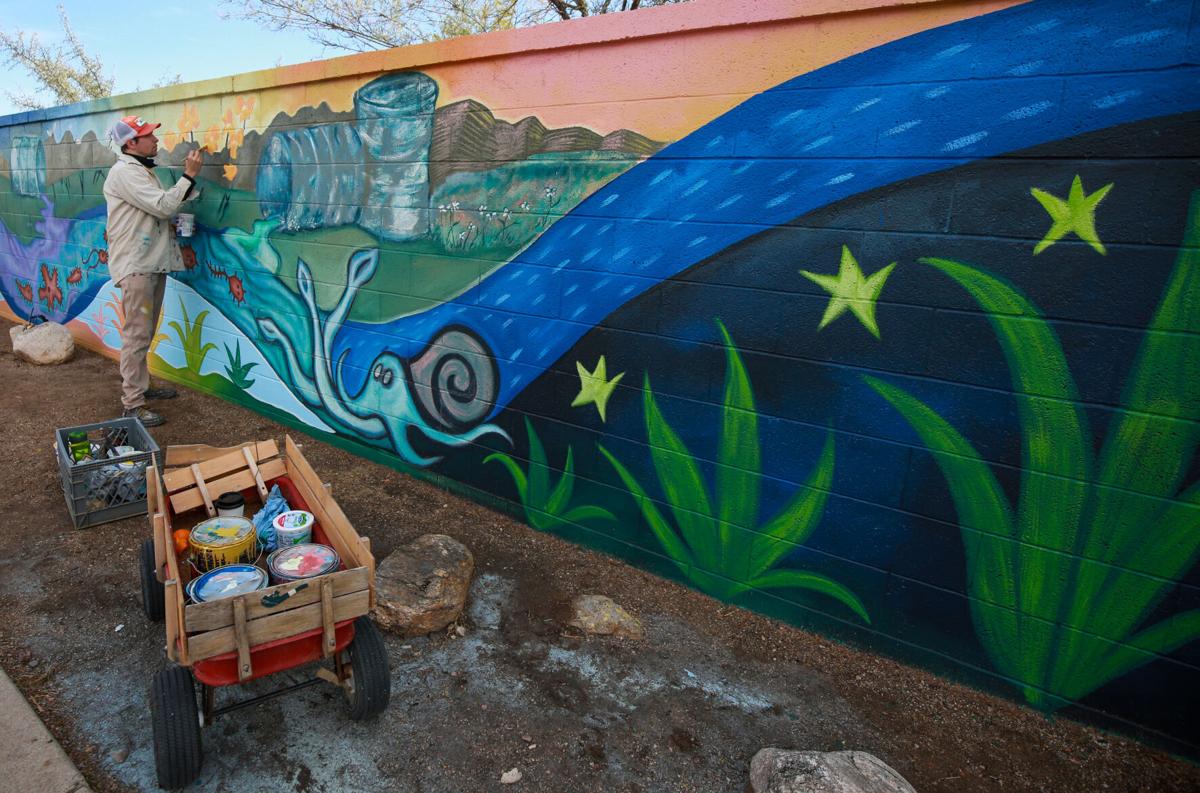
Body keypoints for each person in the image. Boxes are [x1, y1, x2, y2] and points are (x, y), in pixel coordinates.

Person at [103, 116, 203, 427]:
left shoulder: (140, 171)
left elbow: (152, 212)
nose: (155, 141)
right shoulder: (124, 173)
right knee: (137, 334)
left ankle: (141, 387)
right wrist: (189, 175)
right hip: (137, 267)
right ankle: (133, 404)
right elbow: (161, 205)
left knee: (145, 331)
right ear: (130, 143)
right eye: (148, 136)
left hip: (148, 262)